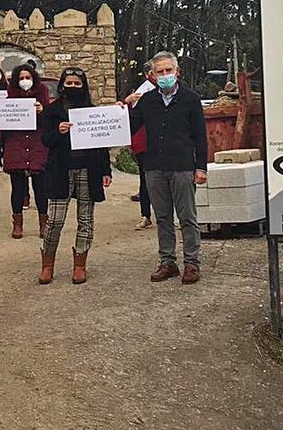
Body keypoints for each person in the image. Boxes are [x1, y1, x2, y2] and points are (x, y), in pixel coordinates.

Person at [130, 51, 209, 285]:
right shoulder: (146, 101)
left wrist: (200, 167)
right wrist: (123, 107)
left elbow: (200, 137)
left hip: (182, 166)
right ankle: (168, 262)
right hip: (154, 167)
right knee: (162, 217)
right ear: (152, 76)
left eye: (168, 70)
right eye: (160, 72)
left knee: (187, 217)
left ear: (177, 72)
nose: (164, 75)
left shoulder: (190, 99)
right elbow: (129, 127)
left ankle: (192, 263)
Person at [38, 68, 112, 285]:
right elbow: (46, 140)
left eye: (77, 84)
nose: (72, 87)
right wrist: (58, 132)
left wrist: (106, 171)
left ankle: (80, 264)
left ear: (84, 86)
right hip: (61, 169)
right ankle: (47, 264)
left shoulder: (92, 111)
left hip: (88, 170)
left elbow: (102, 144)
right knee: (55, 220)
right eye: (68, 83)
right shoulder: (51, 111)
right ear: (62, 85)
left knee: (86, 219)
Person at [0, 63, 51, 239]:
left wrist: (42, 111)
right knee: (17, 188)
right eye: (21, 78)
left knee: (41, 188)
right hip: (16, 147)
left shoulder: (43, 99)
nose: (25, 81)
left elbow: (51, 122)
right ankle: (17, 224)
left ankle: (43, 224)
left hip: (37, 147)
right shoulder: (8, 101)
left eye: (28, 78)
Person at [125, 61, 157, 230]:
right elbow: (132, 118)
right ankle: (146, 215)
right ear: (148, 75)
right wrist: (125, 104)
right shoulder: (142, 93)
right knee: (146, 179)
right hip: (143, 142)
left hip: (161, 142)